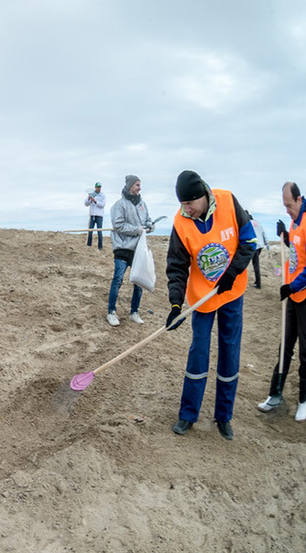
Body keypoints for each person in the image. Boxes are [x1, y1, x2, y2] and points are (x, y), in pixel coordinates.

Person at [165, 170, 256, 440]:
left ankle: (223, 416)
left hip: (231, 293)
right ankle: (188, 414)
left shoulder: (228, 201)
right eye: (182, 204)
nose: (186, 209)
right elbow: (177, 267)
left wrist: (231, 274)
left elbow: (249, 241)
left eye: (189, 203)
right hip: (201, 298)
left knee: (229, 352)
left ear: (202, 196)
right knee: (198, 354)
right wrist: (175, 305)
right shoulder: (180, 223)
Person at [259, 182, 306, 420]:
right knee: (285, 347)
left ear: (299, 199)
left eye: (289, 205)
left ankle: (304, 400)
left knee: (305, 352)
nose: (287, 210)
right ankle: (274, 394)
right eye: (284, 206)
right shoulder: (295, 221)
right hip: (293, 295)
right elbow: (299, 251)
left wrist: (292, 286)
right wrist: (287, 237)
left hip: (304, 297)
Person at [106, 175, 154, 327]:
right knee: (118, 280)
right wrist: (136, 230)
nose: (140, 188)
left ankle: (134, 312)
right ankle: (111, 312)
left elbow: (147, 220)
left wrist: (150, 226)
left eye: (140, 185)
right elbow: (118, 225)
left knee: (139, 281)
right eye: (137, 185)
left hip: (138, 248)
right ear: (129, 186)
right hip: (122, 247)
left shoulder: (142, 204)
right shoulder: (119, 205)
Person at [247, 212, 270, 289]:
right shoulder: (257, 222)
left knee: (254, 264)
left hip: (254, 245)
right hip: (260, 245)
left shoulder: (248, 223)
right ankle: (257, 282)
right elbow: (263, 233)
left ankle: (258, 284)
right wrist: (267, 243)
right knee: (255, 264)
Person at [85, 182, 106, 249]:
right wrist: (89, 199)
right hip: (92, 215)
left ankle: (100, 247)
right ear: (95, 187)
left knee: (99, 231)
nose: (98, 188)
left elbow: (102, 205)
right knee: (90, 231)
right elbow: (86, 204)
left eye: (99, 187)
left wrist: (95, 201)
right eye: (97, 187)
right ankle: (89, 245)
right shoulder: (91, 194)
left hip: (99, 215)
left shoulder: (103, 195)